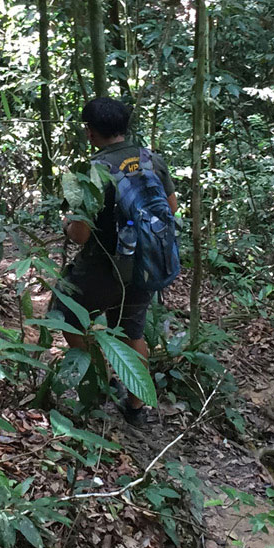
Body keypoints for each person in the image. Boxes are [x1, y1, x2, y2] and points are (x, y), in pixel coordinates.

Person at [47, 96, 177, 425]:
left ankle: (101, 382)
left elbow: (79, 235)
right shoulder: (151, 160)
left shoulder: (91, 172)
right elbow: (171, 209)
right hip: (144, 266)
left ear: (90, 132)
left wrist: (66, 223)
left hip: (101, 269)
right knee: (131, 333)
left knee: (63, 314)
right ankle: (136, 408)